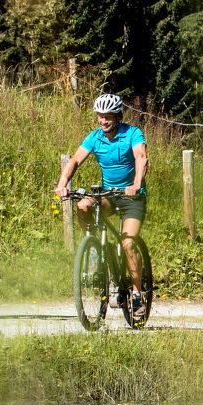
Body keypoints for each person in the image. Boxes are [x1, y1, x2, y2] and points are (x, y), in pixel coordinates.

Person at [53, 93, 148, 304]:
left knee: (128, 243)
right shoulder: (94, 137)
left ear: (119, 115)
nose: (103, 121)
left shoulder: (133, 133)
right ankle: (93, 248)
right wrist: (62, 184)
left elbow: (141, 157)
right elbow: (75, 160)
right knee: (84, 205)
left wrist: (136, 184)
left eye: (108, 116)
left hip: (132, 197)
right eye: (100, 116)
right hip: (109, 195)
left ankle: (136, 294)